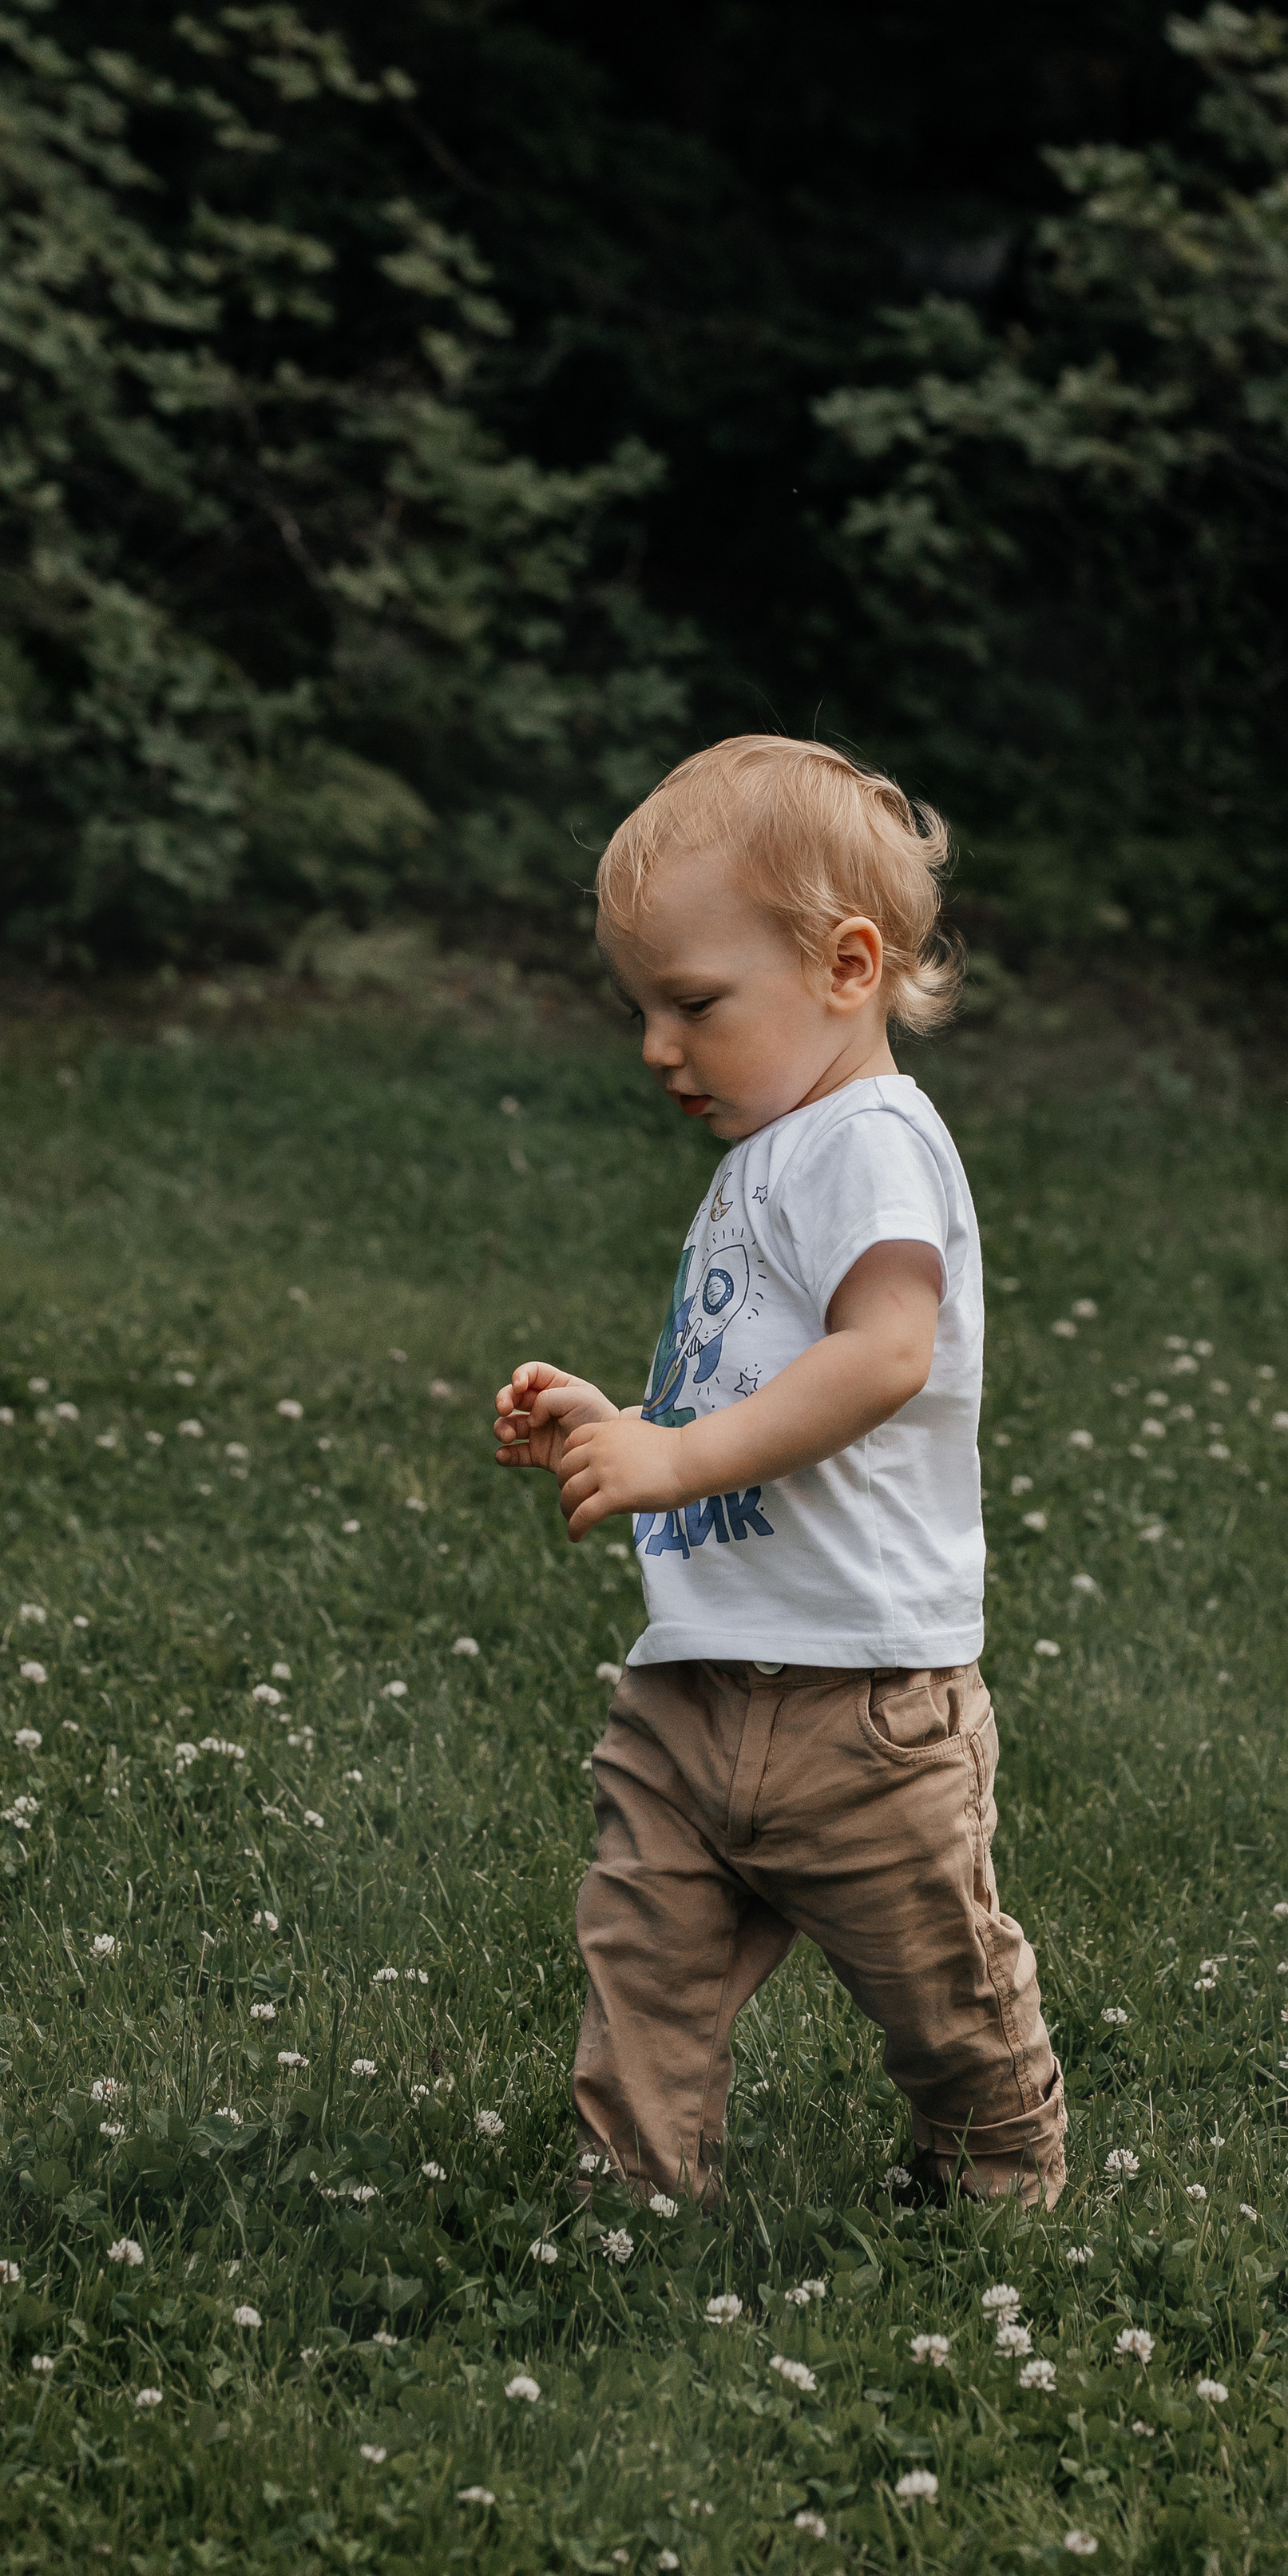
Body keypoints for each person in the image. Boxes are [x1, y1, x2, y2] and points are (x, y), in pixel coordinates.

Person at [492, 736, 1066, 2210]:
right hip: (698, 1679)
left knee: (934, 1982)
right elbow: (753, 1388)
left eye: (692, 1003)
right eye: (642, 1008)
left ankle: (995, 2157)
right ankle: (635, 2189)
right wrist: (617, 1418)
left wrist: (673, 1458)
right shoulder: (774, 1152)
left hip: (858, 1700)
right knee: (642, 1953)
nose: (655, 1047)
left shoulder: (872, 1137)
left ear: (846, 965)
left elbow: (884, 1355)